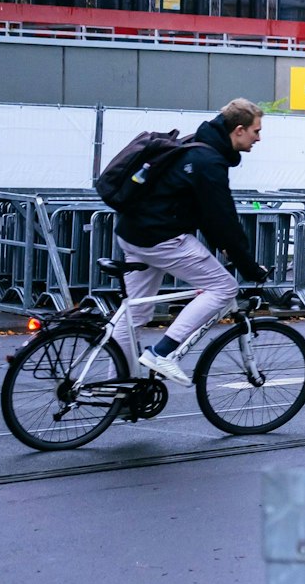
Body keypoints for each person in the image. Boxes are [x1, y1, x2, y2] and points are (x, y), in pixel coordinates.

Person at [113, 98, 271, 385]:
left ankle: (119, 389)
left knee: (134, 314)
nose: (258, 138)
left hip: (133, 232)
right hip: (160, 238)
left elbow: (203, 212)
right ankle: (162, 352)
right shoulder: (209, 161)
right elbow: (223, 218)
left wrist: (224, 247)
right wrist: (248, 267)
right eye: (256, 131)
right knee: (224, 288)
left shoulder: (195, 144)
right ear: (238, 130)